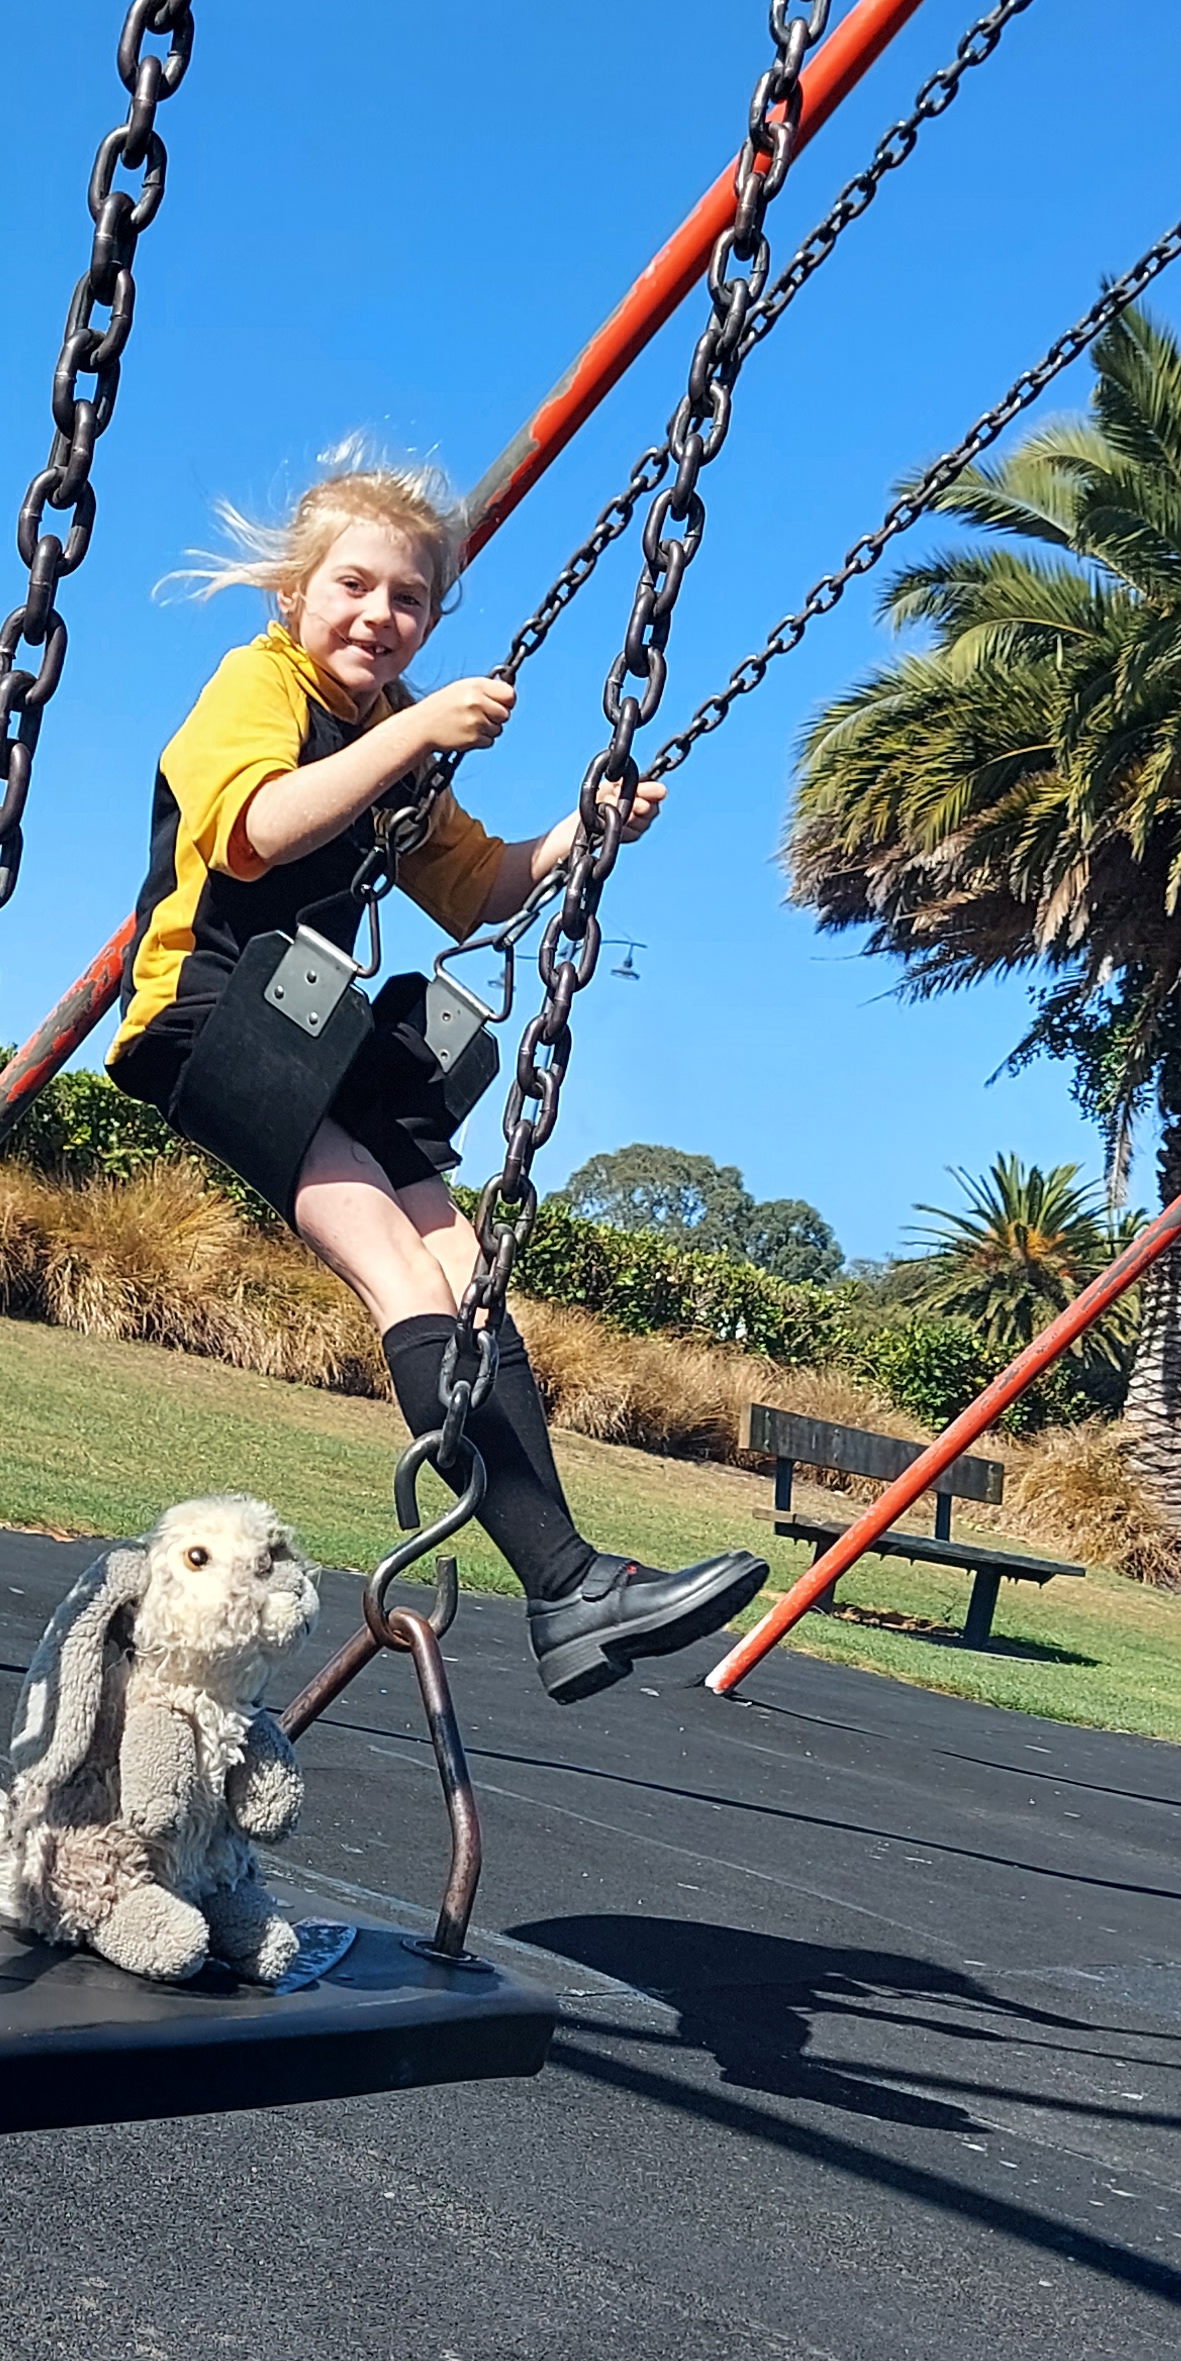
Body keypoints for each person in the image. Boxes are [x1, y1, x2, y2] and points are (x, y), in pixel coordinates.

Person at [109, 453, 766, 1702]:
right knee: (398, 1267)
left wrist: (586, 830)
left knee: (463, 1270)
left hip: (306, 1028)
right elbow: (255, 828)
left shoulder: (392, 740)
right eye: (352, 586)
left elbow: (473, 888)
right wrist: (418, 725)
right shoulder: (257, 687)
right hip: (204, 1015)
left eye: (406, 600)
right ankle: (569, 1584)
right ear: (295, 593)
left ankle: (569, 1590)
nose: (377, 616)